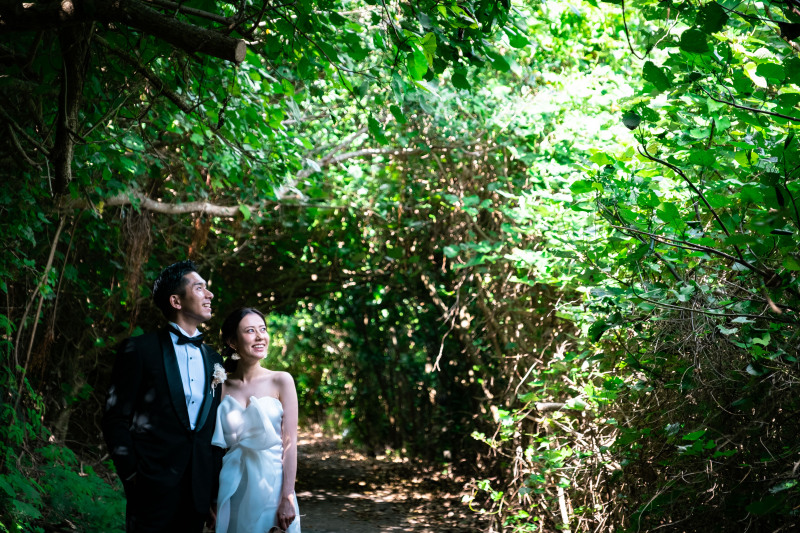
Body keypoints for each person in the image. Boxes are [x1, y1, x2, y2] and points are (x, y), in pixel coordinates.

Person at [101, 260, 223, 532]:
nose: (209, 295)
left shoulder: (215, 359)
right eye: (200, 288)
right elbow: (115, 419)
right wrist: (132, 474)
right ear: (176, 301)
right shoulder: (139, 350)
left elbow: (213, 430)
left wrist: (211, 494)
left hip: (197, 491)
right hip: (149, 487)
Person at [213, 307, 301, 533]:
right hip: (232, 487)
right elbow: (211, 449)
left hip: (272, 487)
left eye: (262, 329)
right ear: (233, 342)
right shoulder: (220, 386)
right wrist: (210, 497)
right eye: (250, 331)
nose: (260, 336)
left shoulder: (281, 380)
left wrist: (287, 497)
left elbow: (290, 445)